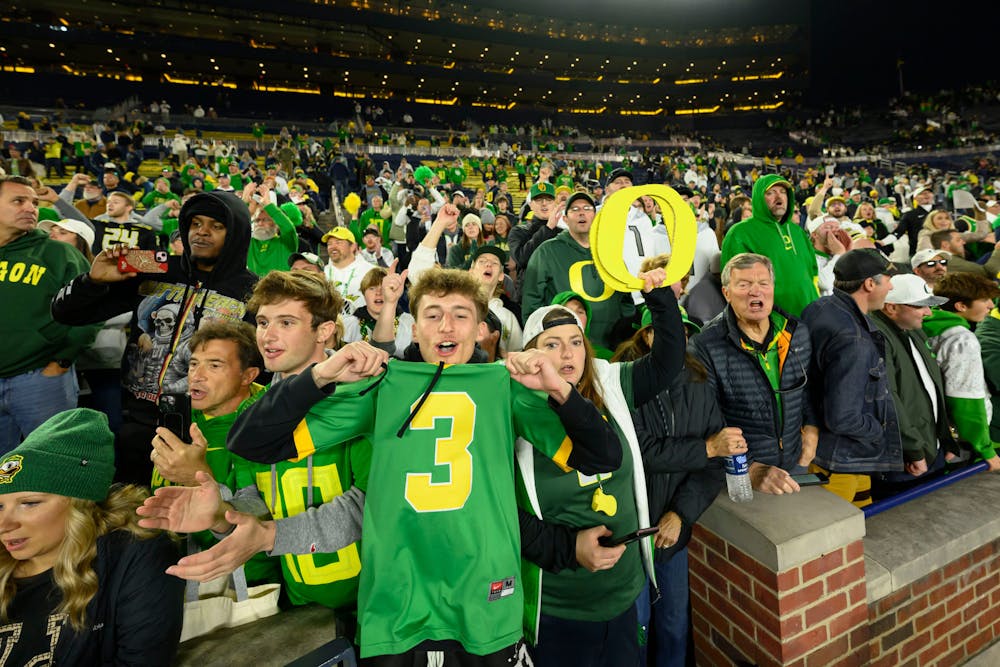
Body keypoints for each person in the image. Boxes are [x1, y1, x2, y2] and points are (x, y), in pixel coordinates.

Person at [138, 267, 624, 664]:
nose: (447, 327)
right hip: (397, 606)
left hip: (485, 600)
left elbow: (602, 455)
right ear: (415, 325)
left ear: (481, 329)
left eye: (460, 315)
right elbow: (254, 442)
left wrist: (559, 389)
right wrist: (322, 375)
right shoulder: (382, 384)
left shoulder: (507, 387)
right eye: (433, 314)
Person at [513, 266, 684, 666]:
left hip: (625, 592)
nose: (568, 352)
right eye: (551, 344)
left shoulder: (608, 382)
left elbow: (667, 363)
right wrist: (569, 548)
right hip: (558, 604)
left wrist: (658, 297)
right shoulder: (513, 407)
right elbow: (501, 509)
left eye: (576, 341)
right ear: (530, 352)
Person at [51, 190, 257, 484]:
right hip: (139, 419)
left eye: (216, 226)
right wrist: (91, 282)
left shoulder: (253, 290)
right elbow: (66, 313)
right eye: (195, 223)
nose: (202, 232)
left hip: (208, 426)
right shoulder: (155, 268)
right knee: (135, 511)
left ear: (236, 233)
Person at [0, 409, 183, 664]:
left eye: (29, 503)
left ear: (80, 504)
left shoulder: (135, 554)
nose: (4, 524)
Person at [690, 253, 816, 494]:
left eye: (763, 283)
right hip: (741, 475)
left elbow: (808, 389)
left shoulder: (796, 332)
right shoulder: (705, 346)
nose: (755, 292)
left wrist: (812, 427)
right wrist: (749, 467)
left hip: (794, 463)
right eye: (744, 285)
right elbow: (705, 419)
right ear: (726, 293)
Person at [0, 176, 99, 454]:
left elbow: (91, 308)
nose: (31, 208)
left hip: (40, 377)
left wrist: (63, 359)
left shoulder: (59, 254)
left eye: (33, 202)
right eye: (18, 201)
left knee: (54, 461)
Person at [801, 249, 902, 507]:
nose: (891, 287)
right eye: (888, 279)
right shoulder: (853, 340)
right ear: (869, 284)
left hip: (832, 456)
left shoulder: (819, 308)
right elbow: (843, 417)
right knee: (837, 541)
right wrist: (878, 429)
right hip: (840, 462)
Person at [870, 275, 958, 498]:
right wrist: (913, 450)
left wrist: (943, 438)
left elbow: (929, 389)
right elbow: (889, 399)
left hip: (930, 448)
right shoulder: (876, 337)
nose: (929, 312)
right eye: (921, 306)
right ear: (891, 308)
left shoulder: (913, 329)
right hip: (906, 461)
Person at [522, 190, 636, 350]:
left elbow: (625, 299)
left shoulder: (610, 252)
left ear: (595, 217)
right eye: (574, 209)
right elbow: (531, 302)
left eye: (587, 208)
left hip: (611, 349)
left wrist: (623, 335)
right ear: (565, 219)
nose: (581, 212)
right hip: (564, 350)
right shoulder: (547, 251)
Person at [924, 273, 1000, 472]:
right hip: (959, 439)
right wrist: (986, 450)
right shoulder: (962, 339)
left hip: (934, 434)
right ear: (961, 306)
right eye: (984, 300)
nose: (991, 305)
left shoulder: (926, 324)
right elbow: (965, 400)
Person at [721, 174, 820, 317]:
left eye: (783, 192)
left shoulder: (797, 231)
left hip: (809, 318)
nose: (779, 198)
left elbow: (813, 272)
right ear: (759, 198)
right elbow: (736, 284)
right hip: (772, 324)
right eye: (770, 193)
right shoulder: (740, 233)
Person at [322, 226, 369, 313]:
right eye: (329, 244)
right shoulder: (323, 273)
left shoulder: (369, 271)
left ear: (353, 247)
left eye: (338, 242)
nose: (333, 246)